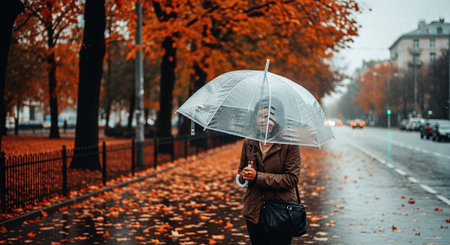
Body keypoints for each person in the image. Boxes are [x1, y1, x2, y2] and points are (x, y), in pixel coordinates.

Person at [237, 98, 301, 245]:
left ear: (277, 118)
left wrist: (257, 177)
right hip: (254, 212)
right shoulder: (250, 142)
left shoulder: (289, 143)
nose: (261, 120)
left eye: (267, 116)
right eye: (259, 116)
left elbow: (291, 179)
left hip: (281, 212)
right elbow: (240, 172)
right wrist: (244, 175)